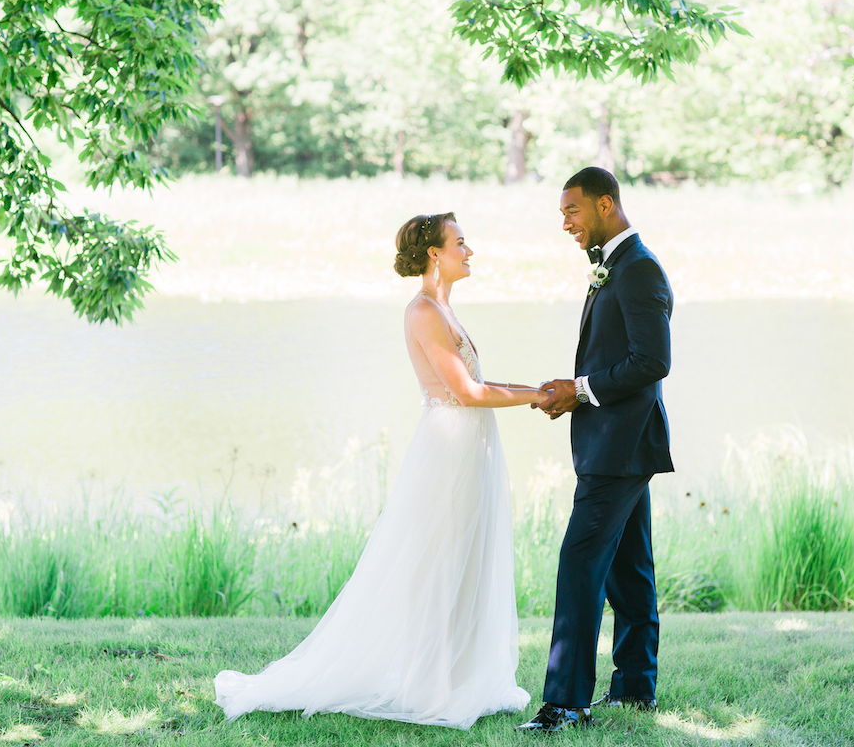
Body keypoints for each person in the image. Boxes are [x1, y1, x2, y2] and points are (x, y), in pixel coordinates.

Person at [214, 212, 547, 730]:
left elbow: (477, 385)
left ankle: (458, 677)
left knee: (465, 563)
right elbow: (467, 392)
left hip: (469, 446)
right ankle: (431, 686)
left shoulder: (444, 308)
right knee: (439, 564)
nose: (470, 251)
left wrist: (536, 391)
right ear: (435, 253)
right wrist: (540, 396)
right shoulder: (424, 312)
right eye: (461, 242)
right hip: (449, 451)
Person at [517, 167, 674, 732]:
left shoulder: (639, 268)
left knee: (580, 563)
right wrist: (574, 394)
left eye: (572, 211)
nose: (565, 223)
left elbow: (652, 362)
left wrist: (579, 390)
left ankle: (566, 702)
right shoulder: (616, 265)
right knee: (629, 571)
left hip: (620, 447)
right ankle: (634, 689)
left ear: (605, 204)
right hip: (616, 444)